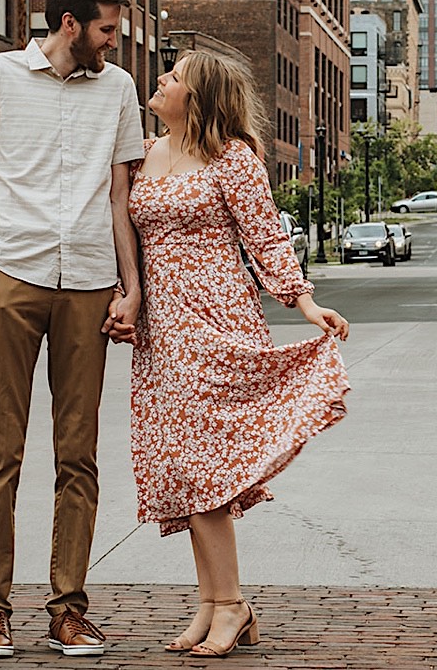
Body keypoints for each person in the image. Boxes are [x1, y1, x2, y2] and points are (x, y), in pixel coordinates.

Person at [0, 0, 145, 659]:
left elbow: (121, 194)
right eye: (107, 31)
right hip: (15, 275)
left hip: (89, 284)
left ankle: (68, 609)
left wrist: (131, 286)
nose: (114, 44)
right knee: (0, 450)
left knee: (78, 455)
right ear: (70, 25)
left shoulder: (118, 90)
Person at [129, 50, 350, 658]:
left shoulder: (232, 158)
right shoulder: (144, 152)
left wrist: (305, 304)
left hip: (216, 325)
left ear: (196, 97)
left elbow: (266, 237)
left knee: (203, 469)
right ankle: (212, 603)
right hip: (161, 337)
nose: (161, 80)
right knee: (180, 465)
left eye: (172, 77)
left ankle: (230, 604)